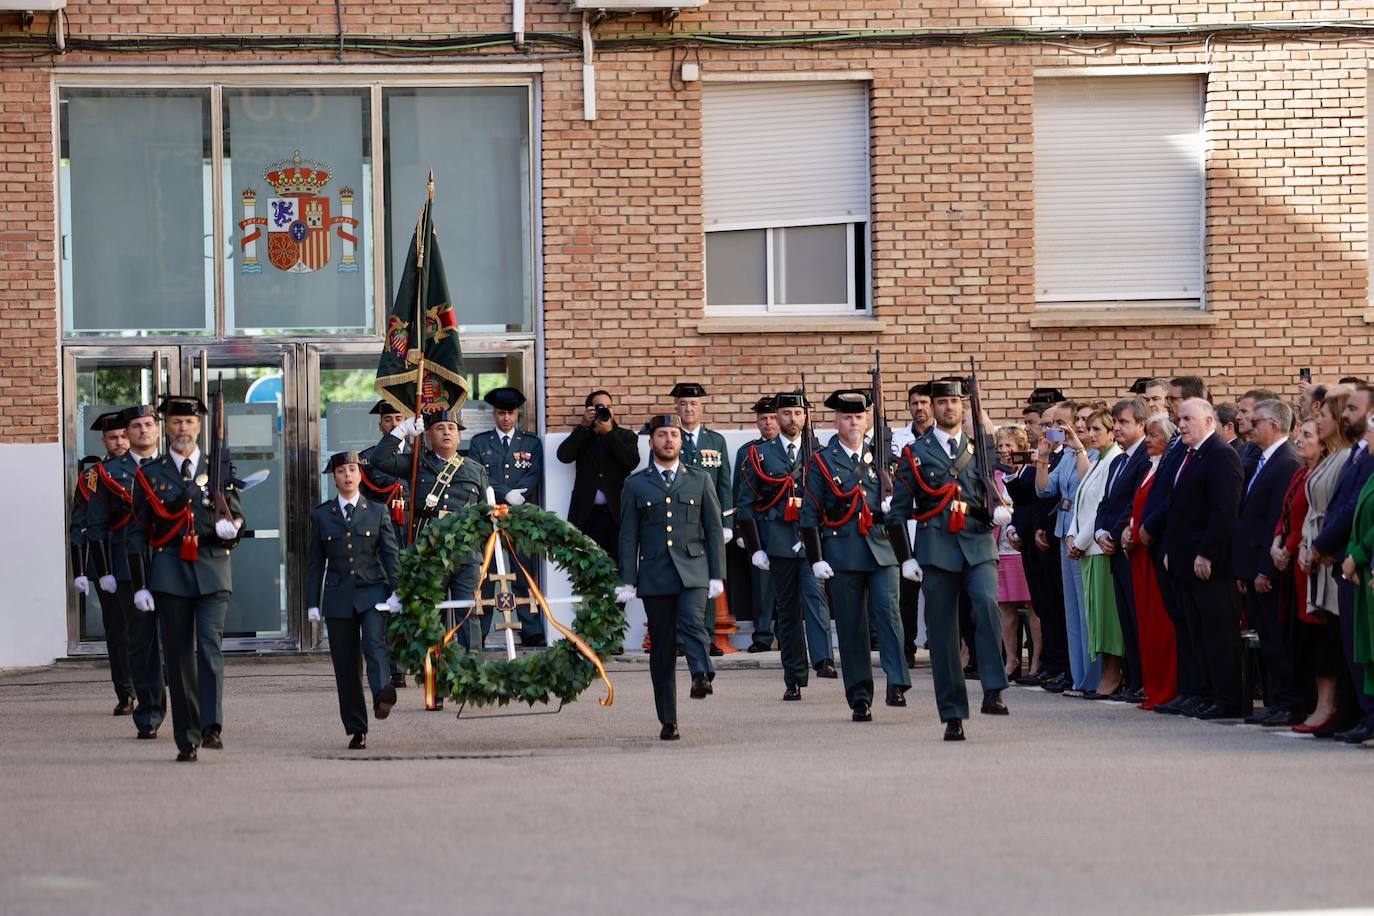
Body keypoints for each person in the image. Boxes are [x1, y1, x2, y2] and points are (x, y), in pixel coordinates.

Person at [892, 378, 1012, 740]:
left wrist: (999, 512)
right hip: (937, 548)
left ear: (963, 407)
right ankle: (953, 713)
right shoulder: (916, 453)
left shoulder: (982, 449)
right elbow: (897, 512)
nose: (948, 408)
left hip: (977, 543)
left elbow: (994, 493)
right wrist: (906, 558)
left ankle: (993, 687)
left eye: (954, 402)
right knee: (943, 633)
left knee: (988, 606)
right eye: (941, 402)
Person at [127, 395, 245, 762]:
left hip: (212, 568)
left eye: (189, 422)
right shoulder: (151, 474)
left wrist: (232, 530)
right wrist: (141, 583)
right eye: (176, 422)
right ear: (167, 427)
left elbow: (238, 516)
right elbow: (136, 533)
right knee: (178, 659)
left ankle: (211, 726)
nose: (182, 429)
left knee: (209, 650)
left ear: (199, 427)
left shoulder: (219, 466)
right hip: (169, 573)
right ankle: (187, 737)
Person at [802, 388, 910, 723]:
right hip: (842, 551)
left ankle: (897, 680)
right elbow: (810, 514)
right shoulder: (821, 462)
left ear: (867, 421)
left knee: (888, 614)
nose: (853, 423)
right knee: (851, 629)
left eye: (859, 417)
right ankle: (860, 697)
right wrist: (815, 557)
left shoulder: (883, 457)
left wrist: (896, 506)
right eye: (847, 417)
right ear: (836, 421)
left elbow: (902, 501)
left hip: (881, 548)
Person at [614, 414, 723, 741]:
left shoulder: (699, 479)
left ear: (680, 440)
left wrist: (717, 574)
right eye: (662, 435)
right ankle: (668, 720)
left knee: (692, 620)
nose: (668, 441)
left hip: (694, 569)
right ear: (652, 442)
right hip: (655, 573)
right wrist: (627, 579)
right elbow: (628, 535)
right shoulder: (635, 484)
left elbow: (714, 529)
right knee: (661, 648)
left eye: (674, 435)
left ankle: (702, 674)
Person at [370, 408, 488, 665]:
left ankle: (471, 671)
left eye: (452, 428)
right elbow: (379, 459)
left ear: (459, 437)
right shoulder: (415, 463)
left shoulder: (475, 469)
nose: (446, 432)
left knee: (467, 613)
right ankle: (434, 674)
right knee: (429, 616)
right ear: (428, 436)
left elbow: (485, 519)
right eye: (439, 428)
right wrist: (402, 430)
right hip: (429, 552)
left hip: (466, 553)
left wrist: (486, 559)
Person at [737, 390, 837, 691]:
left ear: (805, 417)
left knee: (816, 598)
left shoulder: (819, 453)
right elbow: (746, 503)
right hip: (778, 540)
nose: (792, 419)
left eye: (797, 413)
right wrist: (755, 548)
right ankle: (793, 675)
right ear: (777, 417)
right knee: (787, 609)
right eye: (786, 414)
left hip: (811, 542)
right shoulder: (760, 455)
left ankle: (823, 659)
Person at [307, 452, 401, 749]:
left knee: (374, 643)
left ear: (360, 475)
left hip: (373, 590)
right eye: (341, 471)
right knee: (345, 664)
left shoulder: (377, 511)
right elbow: (314, 563)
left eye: (352, 470)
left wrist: (398, 591)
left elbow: (390, 555)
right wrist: (312, 602)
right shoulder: (322, 515)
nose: (347, 476)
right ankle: (356, 727)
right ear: (333, 477)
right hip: (338, 595)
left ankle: (382, 693)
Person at [86, 404, 166, 740]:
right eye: (135, 426)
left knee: (176, 643)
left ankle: (194, 715)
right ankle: (147, 711)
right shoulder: (105, 474)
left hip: (171, 564)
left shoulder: (177, 465)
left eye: (149, 424)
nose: (142, 431)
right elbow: (95, 524)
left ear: (157, 430)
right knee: (138, 641)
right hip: (126, 567)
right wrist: (101, 570)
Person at [1163, 398, 1244, 719]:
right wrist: (1172, 550)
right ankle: (1206, 692)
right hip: (1185, 562)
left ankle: (1228, 699)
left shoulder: (1221, 455)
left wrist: (1206, 553)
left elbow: (1224, 511)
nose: (1181, 424)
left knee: (1219, 634)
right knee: (1198, 633)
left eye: (1188, 419)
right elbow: (1179, 508)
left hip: (1212, 564)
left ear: (1209, 422)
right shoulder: (1189, 455)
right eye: (1179, 419)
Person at [1232, 399, 1302, 726]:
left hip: (1269, 571)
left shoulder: (1286, 461)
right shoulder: (1262, 460)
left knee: (1276, 638)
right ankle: (1276, 701)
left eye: (1256, 421)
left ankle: (1286, 702)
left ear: (1274, 426)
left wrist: (1263, 569)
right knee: (1266, 638)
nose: (1250, 426)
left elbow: (1275, 519)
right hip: (1252, 567)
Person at [1310, 384, 1374, 737]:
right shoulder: (1357, 453)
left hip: (1355, 561)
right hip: (1344, 560)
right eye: (1345, 408)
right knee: (1351, 644)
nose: (1346, 414)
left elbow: (1353, 510)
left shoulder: (1367, 456)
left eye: (1353, 409)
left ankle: (1365, 715)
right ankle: (1361, 715)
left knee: (1360, 644)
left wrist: (1323, 543)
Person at [468, 387, 546, 647]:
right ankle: (482, 629)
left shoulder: (531, 442)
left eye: (510, 413)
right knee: (488, 574)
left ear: (517, 413)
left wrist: (519, 494)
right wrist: (506, 492)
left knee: (524, 572)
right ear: (494, 414)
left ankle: (531, 628)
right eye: (501, 413)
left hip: (520, 517)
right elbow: (480, 475)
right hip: (489, 517)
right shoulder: (480, 442)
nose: (506, 418)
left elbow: (534, 473)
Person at [70, 411, 135, 715]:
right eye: (113, 437)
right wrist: (80, 570)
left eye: (124, 435)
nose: (120, 442)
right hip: (106, 560)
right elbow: (79, 526)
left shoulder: (147, 469)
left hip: (146, 560)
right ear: (104, 441)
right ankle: (125, 692)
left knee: (151, 629)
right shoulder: (92, 477)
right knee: (118, 631)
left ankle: (150, 685)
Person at [1093, 398, 1153, 702]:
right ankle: (1133, 681)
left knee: (1138, 615)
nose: (1116, 428)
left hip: (1129, 547)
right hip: (1113, 548)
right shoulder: (1118, 460)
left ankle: (1143, 680)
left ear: (1141, 425)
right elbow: (1107, 502)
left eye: (1123, 423)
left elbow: (1133, 502)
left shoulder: (1145, 457)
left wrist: (1115, 533)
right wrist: (1101, 531)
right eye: (1114, 423)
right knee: (1125, 618)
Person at [1036, 402, 1098, 694]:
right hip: (1064, 532)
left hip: (1083, 536)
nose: (1078, 428)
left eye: (1081, 422)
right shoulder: (1067, 457)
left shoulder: (1095, 454)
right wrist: (1043, 459)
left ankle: (1091, 677)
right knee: (1071, 611)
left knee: (1086, 613)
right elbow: (1045, 489)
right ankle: (1076, 675)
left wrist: (1079, 448)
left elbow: (1088, 486)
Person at [1295, 409, 1349, 733]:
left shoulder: (1342, 460)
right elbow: (1306, 512)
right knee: (1319, 636)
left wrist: (1316, 546)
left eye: (1308, 435)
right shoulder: (1316, 467)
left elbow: (1338, 510)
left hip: (1329, 557)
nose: (1300, 439)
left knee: (1331, 636)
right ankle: (1325, 706)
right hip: (1311, 555)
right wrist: (1304, 544)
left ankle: (1334, 708)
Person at [671, 382, 734, 656]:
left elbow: (724, 484)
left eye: (693, 403)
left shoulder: (715, 441)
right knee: (676, 579)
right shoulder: (669, 437)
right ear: (677, 408)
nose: (688, 408)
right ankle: (679, 638)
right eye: (683, 403)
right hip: (680, 521)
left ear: (701, 407)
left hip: (708, 521)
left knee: (707, 579)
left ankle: (706, 637)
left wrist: (727, 523)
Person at [1122, 414, 1178, 709]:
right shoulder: (1149, 469)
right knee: (1145, 622)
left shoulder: (1164, 470)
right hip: (1138, 551)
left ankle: (1166, 686)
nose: (1149, 440)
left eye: (1154, 435)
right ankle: (1151, 684)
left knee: (1160, 623)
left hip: (1153, 549)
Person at [1067, 406, 1124, 698]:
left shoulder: (1113, 458)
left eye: (1096, 430)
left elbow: (1102, 505)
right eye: (1088, 429)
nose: (1090, 435)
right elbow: (1080, 502)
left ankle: (1112, 673)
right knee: (1093, 616)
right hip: (1086, 547)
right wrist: (1071, 534)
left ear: (1112, 432)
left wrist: (1080, 539)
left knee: (1105, 617)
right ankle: (1101, 673)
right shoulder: (1099, 459)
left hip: (1097, 549)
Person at [359, 399, 410, 688]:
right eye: (388, 420)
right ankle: (395, 668)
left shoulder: (422, 455)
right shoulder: (368, 459)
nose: (393, 424)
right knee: (388, 604)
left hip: (415, 536)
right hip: (384, 541)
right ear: (380, 425)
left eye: (398, 418)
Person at [556, 390, 641, 562]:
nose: (606, 410)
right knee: (588, 568)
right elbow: (563, 456)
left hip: (617, 514)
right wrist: (582, 426)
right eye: (601, 407)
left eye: (609, 406)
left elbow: (631, 462)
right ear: (590, 410)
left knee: (619, 566)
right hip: (588, 514)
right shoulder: (583, 435)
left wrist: (609, 433)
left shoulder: (626, 436)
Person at [891, 383, 935, 667]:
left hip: (934, 518)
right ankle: (907, 648)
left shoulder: (943, 438)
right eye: (914, 403)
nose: (919, 408)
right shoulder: (897, 438)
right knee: (907, 593)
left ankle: (938, 642)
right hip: (908, 520)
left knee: (937, 589)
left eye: (923, 402)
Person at [733, 397, 778, 652]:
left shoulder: (797, 449)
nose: (768, 423)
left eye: (772, 418)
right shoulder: (747, 451)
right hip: (759, 525)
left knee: (790, 585)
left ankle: (787, 634)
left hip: (788, 524)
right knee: (762, 587)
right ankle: (762, 636)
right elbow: (739, 493)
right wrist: (741, 529)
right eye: (763, 418)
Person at [994, 427, 1034, 679]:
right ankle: (1011, 659)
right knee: (1005, 606)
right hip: (1001, 545)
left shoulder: (1030, 470)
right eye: (1000, 447)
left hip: (1023, 545)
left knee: (1032, 606)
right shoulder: (995, 474)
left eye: (1009, 446)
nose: (1005, 452)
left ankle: (1037, 660)